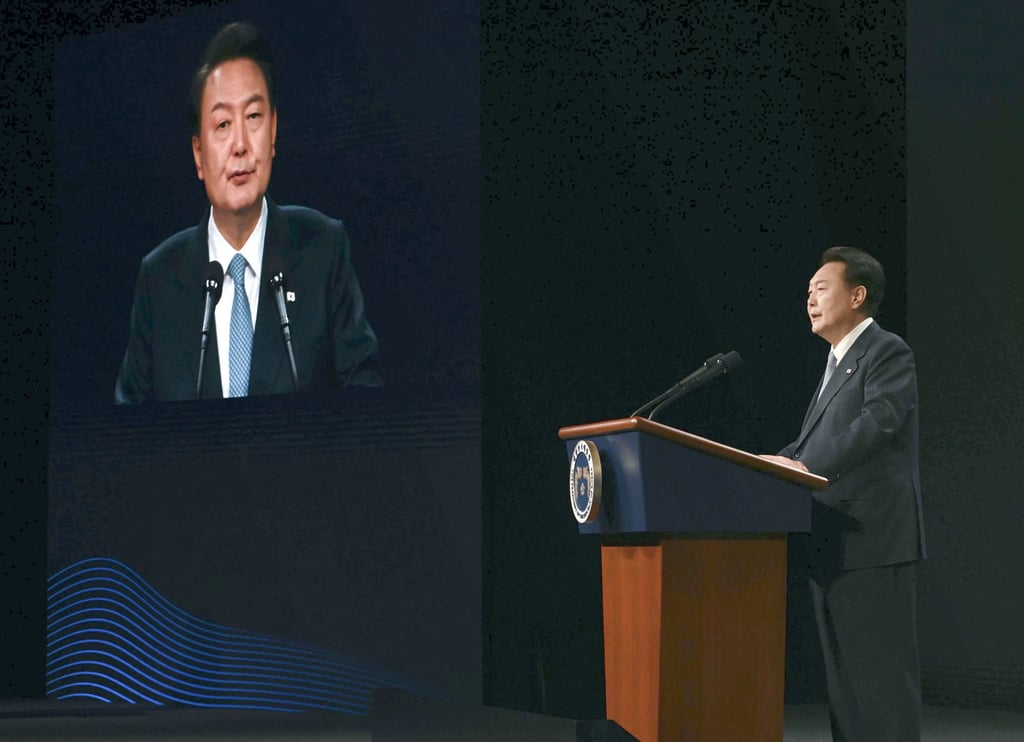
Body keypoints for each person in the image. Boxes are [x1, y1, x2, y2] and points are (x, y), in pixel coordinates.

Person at [114, 22, 381, 403]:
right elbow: (126, 437)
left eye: (253, 117)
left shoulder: (323, 249)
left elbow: (367, 399)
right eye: (223, 124)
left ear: (272, 132)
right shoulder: (159, 278)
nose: (240, 144)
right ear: (198, 155)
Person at [761, 246, 926, 741]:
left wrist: (802, 463)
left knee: (881, 687)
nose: (809, 298)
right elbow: (808, 443)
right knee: (845, 691)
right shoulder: (837, 362)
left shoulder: (886, 351)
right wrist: (758, 465)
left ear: (857, 295)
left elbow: (878, 422)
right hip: (833, 543)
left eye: (821, 288)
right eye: (808, 291)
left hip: (874, 542)